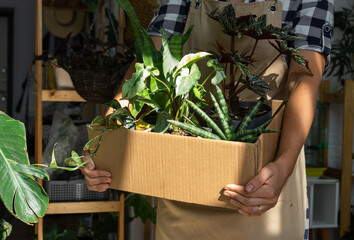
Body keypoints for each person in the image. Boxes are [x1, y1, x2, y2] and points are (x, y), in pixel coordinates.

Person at [81, 0, 334, 239]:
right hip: (185, 178)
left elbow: (304, 74)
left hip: (264, 181)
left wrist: (283, 164)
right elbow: (151, 63)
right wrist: (106, 134)